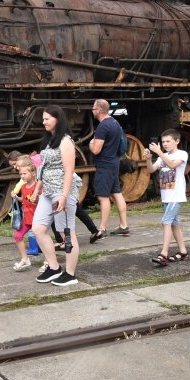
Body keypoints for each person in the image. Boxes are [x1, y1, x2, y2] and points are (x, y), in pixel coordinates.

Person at [32, 105, 83, 286]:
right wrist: (38, 185)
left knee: (66, 233)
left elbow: (69, 171)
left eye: (47, 119)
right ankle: (54, 268)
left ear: (57, 119)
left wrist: (64, 195)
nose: (44, 122)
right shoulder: (49, 140)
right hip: (47, 191)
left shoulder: (66, 141)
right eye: (44, 119)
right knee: (38, 228)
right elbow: (42, 165)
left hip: (61, 192)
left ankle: (70, 274)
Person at [145, 129, 189, 266]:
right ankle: (183, 252)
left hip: (177, 195)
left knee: (166, 222)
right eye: (163, 141)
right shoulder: (161, 156)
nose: (165, 144)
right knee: (174, 223)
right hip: (166, 196)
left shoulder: (182, 154)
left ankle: (163, 254)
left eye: (168, 141)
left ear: (177, 141)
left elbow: (172, 164)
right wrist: (148, 159)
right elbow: (151, 170)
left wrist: (158, 153)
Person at [89, 99, 129, 241]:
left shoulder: (102, 127)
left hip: (104, 165)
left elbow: (96, 150)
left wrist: (90, 143)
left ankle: (102, 228)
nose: (92, 110)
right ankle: (124, 225)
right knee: (116, 193)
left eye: (94, 108)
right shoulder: (115, 123)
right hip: (114, 162)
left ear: (99, 110)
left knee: (103, 197)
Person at [11, 159, 39, 271]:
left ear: (33, 173)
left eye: (25, 173)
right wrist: (16, 198)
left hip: (37, 218)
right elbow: (24, 200)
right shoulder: (23, 187)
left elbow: (42, 201)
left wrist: (36, 199)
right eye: (21, 174)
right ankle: (25, 259)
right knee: (18, 236)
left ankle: (49, 261)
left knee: (42, 239)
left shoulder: (37, 186)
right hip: (27, 218)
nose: (22, 176)